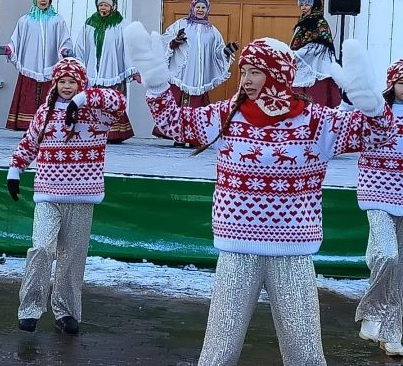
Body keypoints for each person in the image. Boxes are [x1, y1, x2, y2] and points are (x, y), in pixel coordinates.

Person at [124, 22, 392, 365]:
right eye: (243, 72)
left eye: (254, 72)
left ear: (278, 75)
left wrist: (372, 105)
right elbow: (173, 123)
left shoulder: (316, 122)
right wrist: (158, 85)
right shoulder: (227, 116)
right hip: (238, 251)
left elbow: (378, 135)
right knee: (218, 354)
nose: (246, 80)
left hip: (293, 251)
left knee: (305, 355)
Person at [6, 58, 126, 335]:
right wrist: (15, 170)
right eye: (62, 81)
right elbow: (29, 143)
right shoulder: (44, 113)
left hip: (83, 196)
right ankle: (30, 309)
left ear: (81, 83)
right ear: (55, 83)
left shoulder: (97, 113)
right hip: (48, 193)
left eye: (72, 82)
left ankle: (66, 312)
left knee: (72, 258)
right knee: (41, 249)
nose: (67, 86)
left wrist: (82, 100)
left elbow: (119, 101)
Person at [355, 58, 403, 356]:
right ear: (392, 84)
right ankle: (372, 312)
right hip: (377, 192)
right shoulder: (377, 112)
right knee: (387, 255)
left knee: (400, 270)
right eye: (402, 82)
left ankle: (393, 333)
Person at [154, 0, 238, 145]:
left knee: (197, 108)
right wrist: (175, 41)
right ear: (192, 8)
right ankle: (178, 137)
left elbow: (217, 52)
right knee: (177, 104)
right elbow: (165, 40)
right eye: (197, 7)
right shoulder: (181, 24)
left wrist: (226, 51)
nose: (200, 10)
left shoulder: (212, 31)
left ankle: (194, 137)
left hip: (199, 75)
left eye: (203, 8)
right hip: (182, 73)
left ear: (207, 10)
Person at [0, 0, 73, 131]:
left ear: (50, 1)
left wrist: (65, 51)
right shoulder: (25, 21)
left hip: (51, 65)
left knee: (50, 95)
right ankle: (26, 125)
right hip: (30, 65)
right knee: (28, 95)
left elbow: (64, 39)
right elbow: (16, 40)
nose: (43, 0)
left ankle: (50, 124)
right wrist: (8, 49)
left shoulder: (57, 20)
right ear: (35, 0)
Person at [75, 0, 138, 142]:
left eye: (106, 5)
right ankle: (92, 132)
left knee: (111, 102)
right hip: (93, 71)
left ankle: (114, 134)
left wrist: (132, 70)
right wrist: (78, 64)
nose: (103, 8)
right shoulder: (89, 24)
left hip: (113, 71)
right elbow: (81, 46)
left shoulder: (121, 24)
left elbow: (128, 49)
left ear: (113, 7)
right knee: (93, 102)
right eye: (101, 5)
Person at [290, 0, 341, 107]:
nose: (303, 7)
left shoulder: (319, 22)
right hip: (303, 63)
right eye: (302, 5)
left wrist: (298, 54)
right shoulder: (302, 22)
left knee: (317, 97)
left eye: (307, 5)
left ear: (314, 6)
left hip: (317, 65)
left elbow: (319, 46)